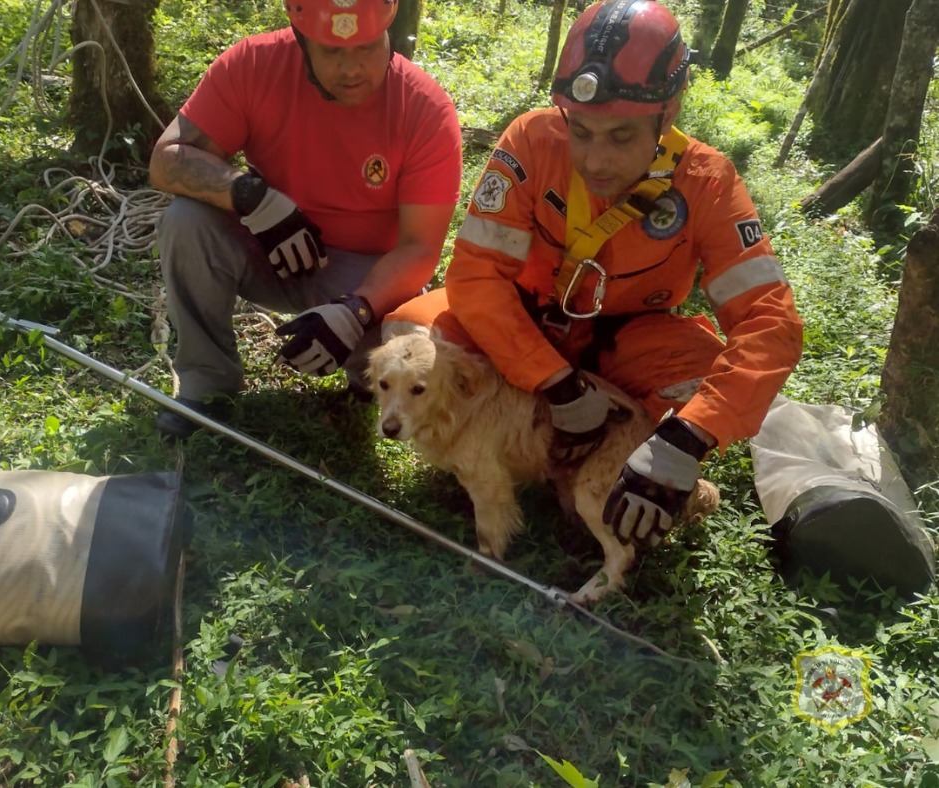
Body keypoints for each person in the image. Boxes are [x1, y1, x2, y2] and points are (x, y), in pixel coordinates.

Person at [385, 0, 803, 549]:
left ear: (668, 113)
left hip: (627, 340)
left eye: (622, 137)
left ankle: (645, 467)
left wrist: (689, 436)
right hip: (525, 325)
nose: (596, 159)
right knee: (410, 339)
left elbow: (769, 324)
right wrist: (554, 383)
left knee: (705, 383)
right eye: (580, 131)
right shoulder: (532, 142)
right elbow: (478, 277)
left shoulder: (708, 184)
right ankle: (505, 451)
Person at [149, 0, 462, 439]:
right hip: (269, 249)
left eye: (368, 48)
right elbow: (167, 161)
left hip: (365, 275)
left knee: (392, 367)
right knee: (187, 220)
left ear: (390, 32)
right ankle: (206, 384)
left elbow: (420, 247)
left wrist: (356, 309)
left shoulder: (424, 108)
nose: (352, 68)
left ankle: (361, 368)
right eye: (332, 51)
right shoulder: (252, 65)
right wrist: (250, 195)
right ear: (301, 40)